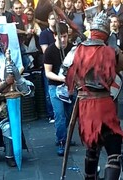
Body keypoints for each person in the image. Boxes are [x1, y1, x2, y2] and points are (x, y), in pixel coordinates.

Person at [66, 11, 123, 179]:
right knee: (114, 150)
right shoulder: (110, 51)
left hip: (85, 106)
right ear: (106, 34)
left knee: (92, 148)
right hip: (103, 104)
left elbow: (66, 71)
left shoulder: (76, 50)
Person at [44, 22, 75, 156]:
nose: (63, 40)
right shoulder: (50, 51)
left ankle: (63, 136)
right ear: (55, 36)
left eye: (65, 36)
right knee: (60, 115)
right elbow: (47, 72)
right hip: (54, 86)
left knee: (69, 115)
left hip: (70, 87)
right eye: (60, 37)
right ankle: (62, 142)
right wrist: (61, 79)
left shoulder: (72, 49)